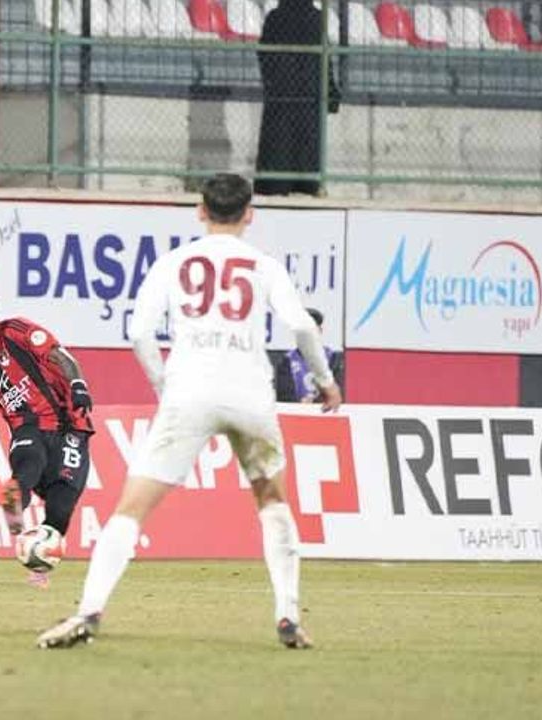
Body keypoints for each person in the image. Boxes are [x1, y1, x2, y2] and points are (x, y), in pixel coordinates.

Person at [37, 174, 341, 649]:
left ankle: (89, 610)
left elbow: (140, 332)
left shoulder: (174, 263)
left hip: (189, 393)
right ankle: (287, 616)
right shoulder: (263, 266)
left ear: (200, 211)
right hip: (249, 394)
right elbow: (302, 326)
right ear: (249, 214)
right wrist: (325, 380)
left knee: (132, 507)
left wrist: (165, 385)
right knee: (272, 501)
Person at [0, 295, 95, 588]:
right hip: (27, 428)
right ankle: (16, 499)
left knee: (61, 505)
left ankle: (39, 564)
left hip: (70, 424)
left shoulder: (16, 331)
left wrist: (78, 385)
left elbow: (61, 356)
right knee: (28, 463)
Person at [254, 0, 340, 197]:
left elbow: (265, 56)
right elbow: (324, 61)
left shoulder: (276, 18)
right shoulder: (315, 18)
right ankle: (307, 184)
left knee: (278, 146)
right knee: (306, 146)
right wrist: (330, 91)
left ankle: (275, 185)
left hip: (281, 96)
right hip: (308, 96)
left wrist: (275, 83)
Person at [275, 308, 345, 403]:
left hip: (324, 410)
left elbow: (336, 392)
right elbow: (284, 396)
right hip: (295, 411)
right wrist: (300, 403)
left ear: (320, 331)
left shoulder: (332, 358)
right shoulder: (287, 361)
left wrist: (313, 403)